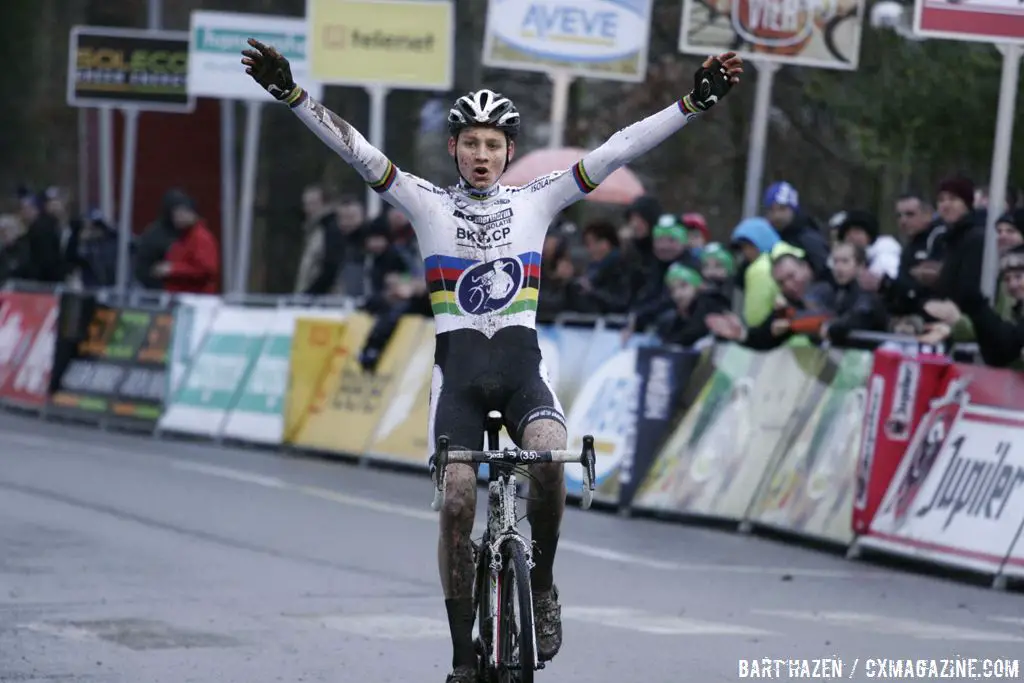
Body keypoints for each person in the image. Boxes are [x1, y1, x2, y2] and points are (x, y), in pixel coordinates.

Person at [241, 38, 742, 683]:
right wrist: (292, 94)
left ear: (509, 153)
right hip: (460, 380)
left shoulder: (538, 199)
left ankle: (544, 587)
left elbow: (618, 149)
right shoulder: (427, 202)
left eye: (493, 145)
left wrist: (693, 103)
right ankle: (459, 655)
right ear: (454, 149)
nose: (482, 155)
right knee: (455, 502)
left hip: (523, 370)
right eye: (470, 143)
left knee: (551, 459)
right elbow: (356, 149)